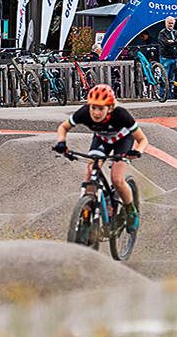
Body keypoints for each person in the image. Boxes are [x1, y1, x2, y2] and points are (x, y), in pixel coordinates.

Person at [53, 84, 147, 235]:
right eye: (93, 107)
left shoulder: (121, 115)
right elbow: (63, 127)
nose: (96, 113)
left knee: (117, 179)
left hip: (123, 140)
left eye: (101, 108)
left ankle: (131, 210)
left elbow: (143, 140)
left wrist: (137, 152)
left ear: (110, 108)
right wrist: (61, 144)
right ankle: (85, 219)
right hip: (102, 140)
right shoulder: (84, 113)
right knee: (90, 173)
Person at [156, 16, 177, 98]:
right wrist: (176, 42)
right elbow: (165, 43)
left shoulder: (176, 32)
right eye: (169, 23)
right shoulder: (162, 33)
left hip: (174, 57)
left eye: (172, 23)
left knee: (172, 78)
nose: (170, 25)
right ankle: (162, 95)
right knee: (164, 78)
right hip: (166, 57)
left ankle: (169, 95)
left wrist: (173, 41)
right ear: (166, 23)